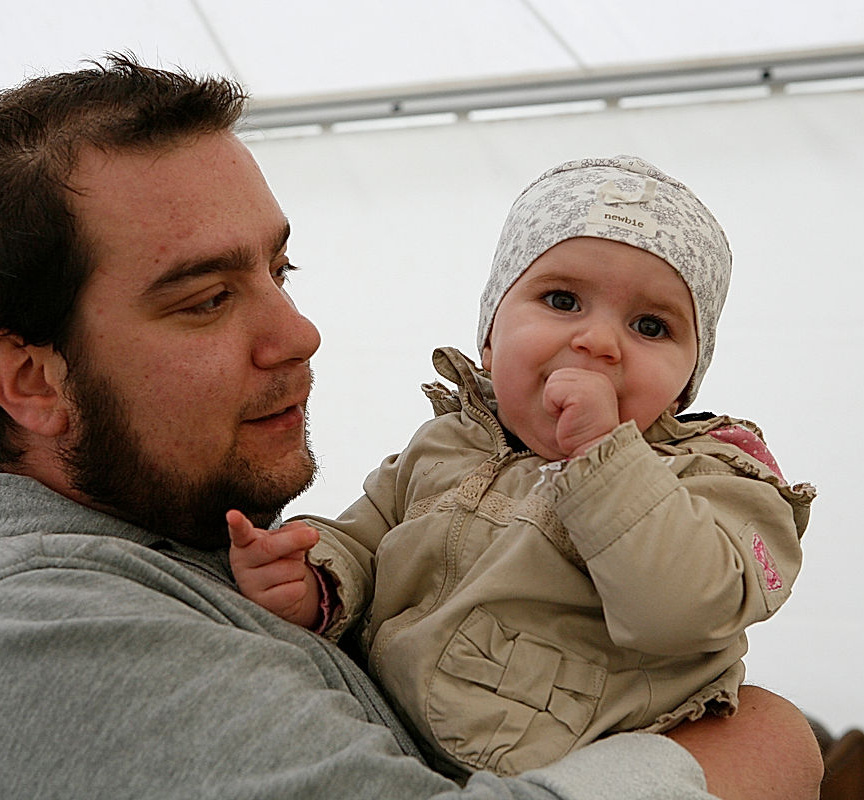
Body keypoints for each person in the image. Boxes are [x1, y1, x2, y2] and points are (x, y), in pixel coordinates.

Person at [0, 55, 822, 799]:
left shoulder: (172, 542)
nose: (299, 333)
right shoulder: (30, 635)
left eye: (281, 272)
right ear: (31, 379)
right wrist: (761, 749)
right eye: (205, 299)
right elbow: (368, 543)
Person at [229, 157, 817, 777]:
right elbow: (363, 541)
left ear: (684, 383)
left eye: (650, 326)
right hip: (387, 744)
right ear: (490, 338)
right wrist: (314, 578)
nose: (599, 342)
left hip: (575, 772)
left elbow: (685, 611)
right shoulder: (447, 444)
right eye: (563, 300)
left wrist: (603, 459)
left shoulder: (714, 478)